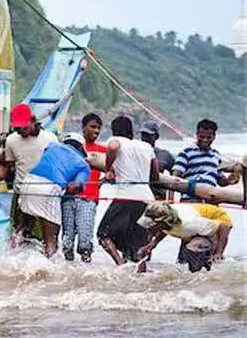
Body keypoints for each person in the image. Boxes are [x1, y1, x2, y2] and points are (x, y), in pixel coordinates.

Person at [171, 119, 238, 263]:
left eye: (209, 137)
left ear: (214, 137)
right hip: (191, 202)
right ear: (196, 134)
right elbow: (174, 179)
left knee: (210, 239)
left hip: (211, 203)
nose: (205, 140)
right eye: (202, 137)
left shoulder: (216, 155)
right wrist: (170, 202)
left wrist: (231, 180)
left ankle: (205, 272)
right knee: (189, 238)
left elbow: (220, 180)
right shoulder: (186, 153)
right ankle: (183, 266)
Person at [97, 116, 159, 269]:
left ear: (114, 131)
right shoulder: (146, 147)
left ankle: (120, 264)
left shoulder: (117, 140)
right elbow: (155, 177)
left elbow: (112, 147)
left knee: (103, 235)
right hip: (146, 199)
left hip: (126, 197)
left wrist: (109, 169)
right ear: (131, 131)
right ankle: (140, 273)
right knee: (139, 245)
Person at [18, 133, 90, 257]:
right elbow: (74, 186)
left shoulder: (52, 146)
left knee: (22, 228)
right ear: (81, 148)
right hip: (49, 189)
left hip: (28, 182)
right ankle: (51, 270)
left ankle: (10, 252)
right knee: (51, 240)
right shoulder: (84, 165)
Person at [3, 104, 58, 244]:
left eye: (24, 126)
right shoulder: (11, 140)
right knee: (17, 234)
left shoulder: (50, 139)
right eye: (17, 128)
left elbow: (57, 164)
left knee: (43, 239)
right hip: (21, 193)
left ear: (33, 120)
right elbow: (10, 167)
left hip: (44, 194)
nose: (20, 130)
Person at [136, 201, 233, 272]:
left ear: (161, 222)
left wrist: (219, 252)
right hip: (197, 228)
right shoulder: (167, 221)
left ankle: (202, 272)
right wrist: (153, 244)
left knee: (194, 247)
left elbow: (224, 226)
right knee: (184, 259)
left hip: (216, 223)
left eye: (150, 227)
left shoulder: (189, 223)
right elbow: (165, 229)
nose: (148, 229)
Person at [62, 114, 106, 263]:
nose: (96, 130)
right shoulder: (71, 145)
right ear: (83, 127)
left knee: (85, 239)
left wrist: (105, 179)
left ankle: (86, 270)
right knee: (67, 239)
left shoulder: (102, 151)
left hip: (89, 199)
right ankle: (69, 271)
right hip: (68, 197)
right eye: (93, 126)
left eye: (99, 128)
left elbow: (113, 170)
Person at [139, 120, 175, 200]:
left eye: (148, 135)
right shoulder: (136, 153)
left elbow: (175, 176)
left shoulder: (164, 155)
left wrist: (171, 198)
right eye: (143, 135)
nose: (144, 138)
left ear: (156, 136)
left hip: (157, 196)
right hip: (139, 196)